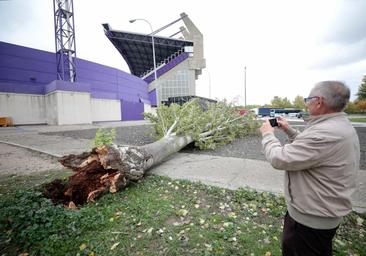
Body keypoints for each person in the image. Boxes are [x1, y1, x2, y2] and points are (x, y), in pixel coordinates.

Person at [259, 81, 360, 256]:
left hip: (310, 222)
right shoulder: (336, 126)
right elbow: (312, 150)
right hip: (318, 215)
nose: (306, 103)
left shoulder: (325, 133)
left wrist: (268, 134)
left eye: (308, 99)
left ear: (319, 101)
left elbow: (278, 158)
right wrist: (290, 131)